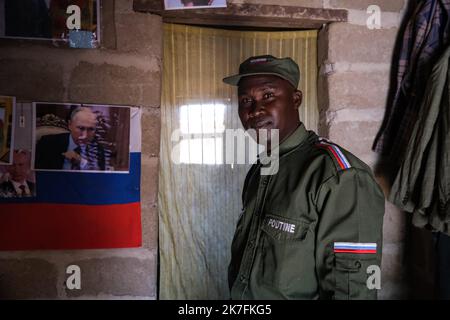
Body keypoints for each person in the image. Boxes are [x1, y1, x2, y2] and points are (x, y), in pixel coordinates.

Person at [222, 55, 385, 299]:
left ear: (295, 99)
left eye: (268, 96)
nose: (255, 111)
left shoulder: (339, 175)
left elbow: (353, 290)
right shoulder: (261, 168)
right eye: (246, 100)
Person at [35, 106, 105, 171]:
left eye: (91, 129)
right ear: (70, 125)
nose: (85, 135)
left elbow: (98, 179)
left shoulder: (98, 150)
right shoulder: (48, 143)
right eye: (81, 128)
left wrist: (82, 162)